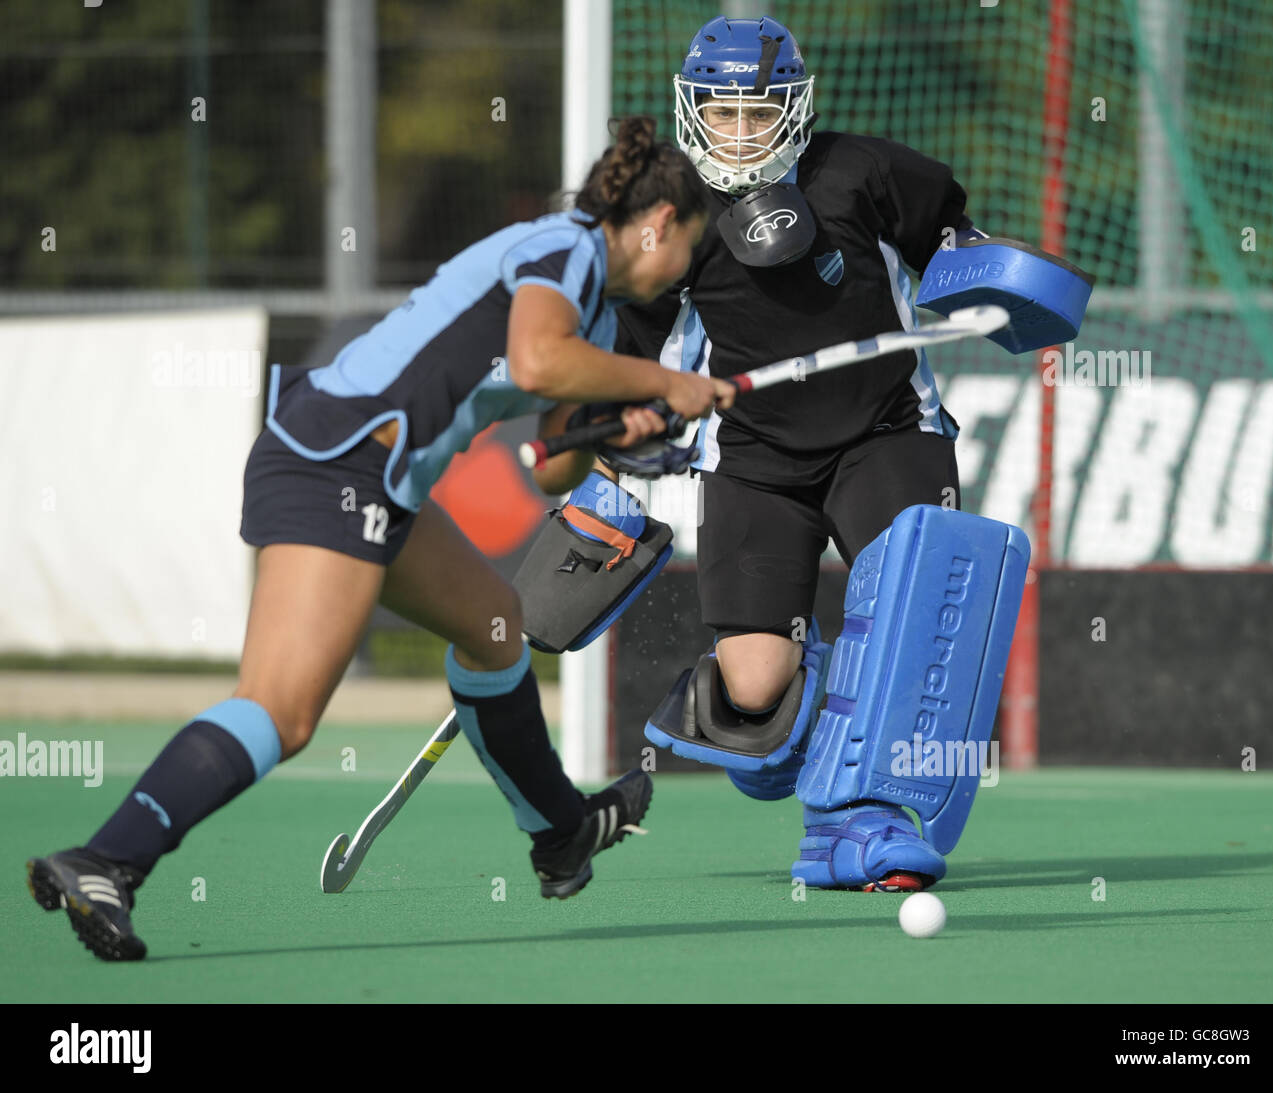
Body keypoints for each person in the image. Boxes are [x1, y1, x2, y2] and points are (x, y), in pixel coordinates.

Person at [26, 116, 736, 961]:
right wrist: (667, 381)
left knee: (494, 624)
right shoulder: (565, 248)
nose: (683, 270)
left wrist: (627, 426)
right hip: (335, 457)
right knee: (282, 711)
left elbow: (549, 465)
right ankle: (107, 858)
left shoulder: (600, 323)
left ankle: (561, 832)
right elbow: (539, 362)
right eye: (686, 249)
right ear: (657, 225)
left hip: (378, 478)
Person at [623, 16, 1036, 892]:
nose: (740, 132)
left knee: (906, 622)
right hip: (753, 454)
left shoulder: (863, 172)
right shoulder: (672, 218)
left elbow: (952, 238)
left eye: (759, 112)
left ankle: (861, 822)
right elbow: (631, 351)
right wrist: (622, 429)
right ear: (693, 112)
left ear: (794, 108)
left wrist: (994, 281)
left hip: (888, 430)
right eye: (722, 113)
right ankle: (805, 709)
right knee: (756, 698)